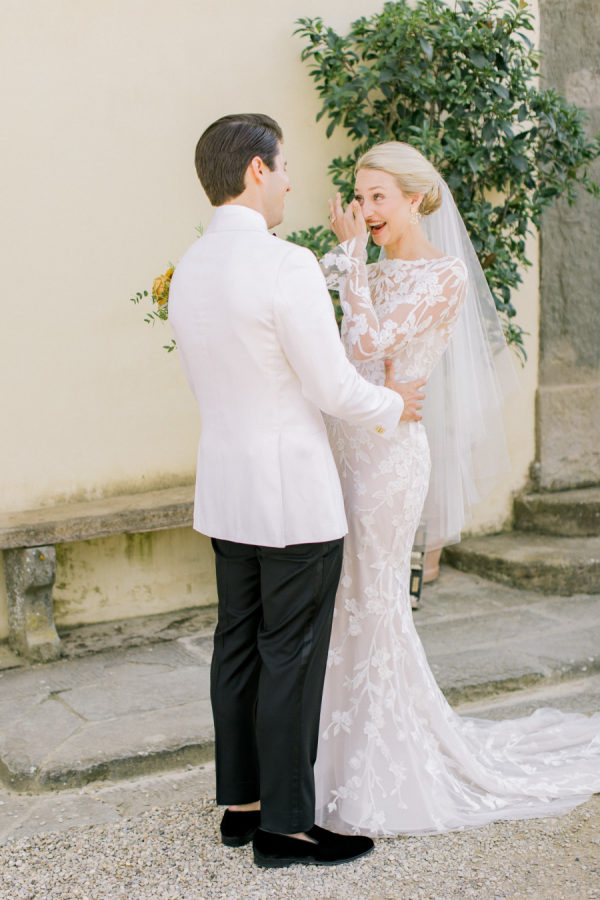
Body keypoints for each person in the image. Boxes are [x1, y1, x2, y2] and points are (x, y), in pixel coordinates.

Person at [314, 141, 600, 837]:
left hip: (389, 459)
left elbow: (371, 341)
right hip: (344, 447)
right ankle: (329, 755)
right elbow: (346, 355)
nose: (365, 209)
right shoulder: (366, 267)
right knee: (342, 597)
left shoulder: (443, 276)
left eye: (379, 196)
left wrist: (350, 264)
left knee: (376, 598)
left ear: (415, 199)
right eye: (360, 195)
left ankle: (383, 762)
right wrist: (353, 271)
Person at [168, 116, 426, 868]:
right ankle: (286, 826)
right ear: (257, 169)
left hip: (225, 488)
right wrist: (394, 404)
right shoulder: (285, 265)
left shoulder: (190, 265)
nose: (288, 182)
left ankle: (241, 807)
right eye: (282, 168)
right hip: (292, 495)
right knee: (290, 655)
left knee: (236, 646)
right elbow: (332, 386)